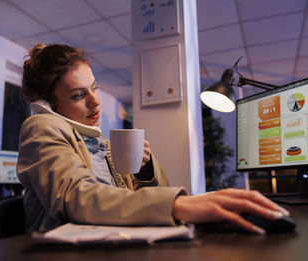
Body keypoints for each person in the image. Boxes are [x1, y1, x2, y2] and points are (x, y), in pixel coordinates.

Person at [17, 43, 289, 235]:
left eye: (95, 88)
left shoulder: (101, 143)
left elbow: (147, 195)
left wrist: (146, 169)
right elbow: (78, 198)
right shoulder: (41, 127)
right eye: (79, 95)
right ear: (48, 104)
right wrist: (178, 204)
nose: (95, 101)